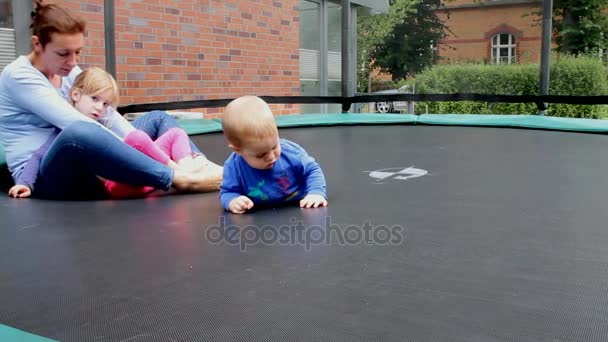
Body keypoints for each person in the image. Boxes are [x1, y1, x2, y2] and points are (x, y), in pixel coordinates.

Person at [0, 1, 222, 200]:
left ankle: (196, 164)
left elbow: (110, 117)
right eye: (64, 53)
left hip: (87, 154)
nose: (73, 61)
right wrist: (139, 154)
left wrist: (136, 142)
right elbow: (72, 123)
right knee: (78, 130)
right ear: (37, 44)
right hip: (45, 173)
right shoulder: (18, 75)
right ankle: (178, 178)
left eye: (77, 52)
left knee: (157, 118)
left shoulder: (66, 71)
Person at [8, 67, 218, 199]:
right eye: (95, 100)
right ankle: (182, 175)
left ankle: (195, 163)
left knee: (167, 125)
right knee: (136, 138)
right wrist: (25, 183)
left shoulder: (77, 80)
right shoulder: (68, 130)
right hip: (117, 182)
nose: (100, 108)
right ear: (75, 94)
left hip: (136, 169)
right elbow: (37, 156)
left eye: (105, 103)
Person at [219, 95, 328, 214]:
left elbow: (312, 170)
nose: (271, 157)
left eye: (275, 146)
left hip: (298, 208)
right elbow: (227, 192)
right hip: (260, 222)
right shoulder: (233, 167)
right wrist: (232, 201)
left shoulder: (291, 152)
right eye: (261, 155)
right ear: (238, 150)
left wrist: (316, 193)